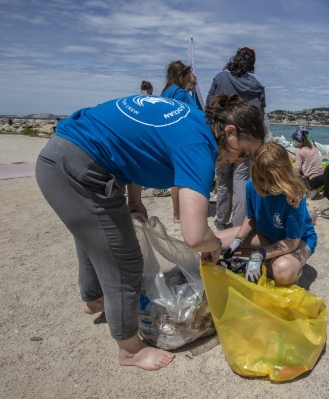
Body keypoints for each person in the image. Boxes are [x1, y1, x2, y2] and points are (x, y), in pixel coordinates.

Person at [35, 93, 265, 371]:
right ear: (230, 132)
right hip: (77, 169)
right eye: (244, 153)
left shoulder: (194, 119)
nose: (241, 162)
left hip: (66, 154)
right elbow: (194, 235)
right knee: (125, 261)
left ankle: (95, 300)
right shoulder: (198, 147)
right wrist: (214, 246)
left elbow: (138, 145)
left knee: (96, 237)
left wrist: (134, 200)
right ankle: (130, 351)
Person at [217, 142, 316, 285]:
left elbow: (292, 242)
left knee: (281, 272)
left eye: (272, 181)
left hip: (298, 241)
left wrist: (260, 254)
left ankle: (294, 267)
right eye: (261, 180)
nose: (265, 186)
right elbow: (251, 218)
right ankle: (271, 258)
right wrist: (238, 240)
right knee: (216, 244)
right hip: (267, 234)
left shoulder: (294, 194)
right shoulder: (251, 185)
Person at [207, 47, 266, 231]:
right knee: (241, 181)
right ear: (252, 64)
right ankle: (239, 225)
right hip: (246, 140)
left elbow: (208, 109)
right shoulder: (256, 86)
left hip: (222, 138)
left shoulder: (220, 78)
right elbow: (260, 117)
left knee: (223, 179)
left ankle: (221, 220)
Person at [158, 61, 199, 218]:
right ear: (181, 75)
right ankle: (183, 213)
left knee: (175, 179)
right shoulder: (181, 93)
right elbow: (184, 117)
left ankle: (176, 213)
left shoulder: (166, 91)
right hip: (182, 139)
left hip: (167, 139)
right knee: (184, 178)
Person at [292, 126, 325, 200]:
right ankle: (312, 189)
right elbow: (310, 160)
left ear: (298, 140)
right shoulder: (313, 147)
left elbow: (297, 169)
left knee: (294, 175)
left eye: (294, 140)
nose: (294, 142)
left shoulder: (299, 151)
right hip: (322, 178)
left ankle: (309, 191)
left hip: (313, 180)